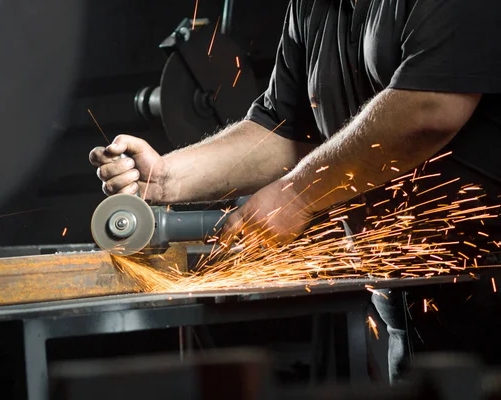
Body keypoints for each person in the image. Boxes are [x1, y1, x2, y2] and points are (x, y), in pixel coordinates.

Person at [90, 0, 501, 382]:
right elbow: (283, 131)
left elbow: (430, 106)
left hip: (490, 295)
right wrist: (166, 176)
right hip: (408, 305)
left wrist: (298, 196)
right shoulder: (311, 6)